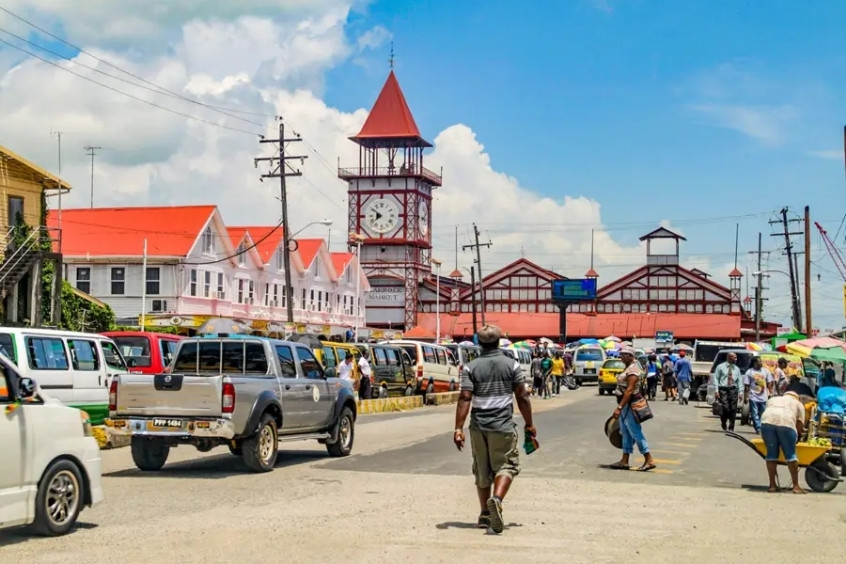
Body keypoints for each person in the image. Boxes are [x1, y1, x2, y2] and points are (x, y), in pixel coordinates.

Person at [453, 324, 536, 534]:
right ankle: (497, 500)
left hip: (478, 426)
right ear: (499, 342)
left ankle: (484, 514)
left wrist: (458, 428)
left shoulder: (470, 367)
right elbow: (522, 396)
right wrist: (529, 423)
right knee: (507, 465)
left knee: (482, 469)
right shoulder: (512, 365)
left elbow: (465, 398)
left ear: (479, 343)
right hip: (502, 425)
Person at [607, 347, 656, 472]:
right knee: (625, 432)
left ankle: (649, 459)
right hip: (626, 406)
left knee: (635, 432)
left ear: (630, 356)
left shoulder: (633, 370)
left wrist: (619, 407)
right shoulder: (628, 368)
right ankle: (624, 460)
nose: (621, 357)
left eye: (624, 355)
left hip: (630, 405)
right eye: (621, 354)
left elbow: (629, 391)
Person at [760, 391, 806, 493]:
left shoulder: (772, 399)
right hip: (786, 423)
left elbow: (766, 412)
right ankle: (796, 486)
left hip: (767, 423)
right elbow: (800, 424)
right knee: (791, 455)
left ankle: (772, 485)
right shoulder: (798, 404)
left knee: (771, 454)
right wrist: (797, 436)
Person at [743, 356, 774, 434]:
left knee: (763, 414)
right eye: (759, 361)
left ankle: (762, 427)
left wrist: (771, 393)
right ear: (755, 363)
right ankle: (758, 428)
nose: (761, 363)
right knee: (754, 414)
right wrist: (746, 396)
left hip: (763, 397)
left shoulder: (766, 371)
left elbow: (769, 383)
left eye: (761, 361)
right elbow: (747, 386)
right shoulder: (749, 372)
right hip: (753, 397)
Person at [713, 352, 742, 431]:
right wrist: (716, 391)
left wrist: (741, 392)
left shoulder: (737, 369)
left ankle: (731, 427)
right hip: (723, 390)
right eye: (734, 357)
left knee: (733, 409)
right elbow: (716, 379)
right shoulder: (720, 367)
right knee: (725, 408)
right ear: (729, 357)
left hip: (733, 390)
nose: (736, 359)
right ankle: (723, 421)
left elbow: (739, 381)